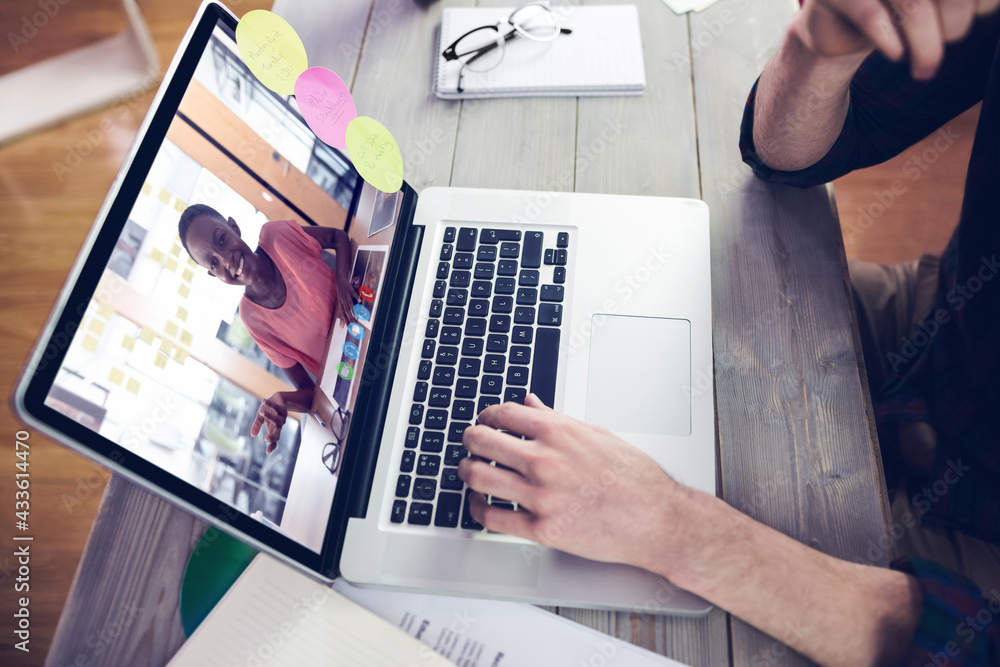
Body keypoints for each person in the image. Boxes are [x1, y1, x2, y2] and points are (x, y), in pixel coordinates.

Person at [458, 0, 1000, 663]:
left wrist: (676, 527)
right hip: (940, 333)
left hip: (975, 555)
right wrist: (824, 48)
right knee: (618, 293)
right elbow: (786, 151)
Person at [178, 204, 357, 452]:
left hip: (368, 320)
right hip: (353, 374)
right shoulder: (252, 319)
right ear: (213, 274)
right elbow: (310, 391)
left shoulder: (276, 235)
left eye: (222, 240)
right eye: (214, 263)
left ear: (233, 227)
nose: (227, 260)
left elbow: (337, 237)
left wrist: (342, 279)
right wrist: (284, 400)